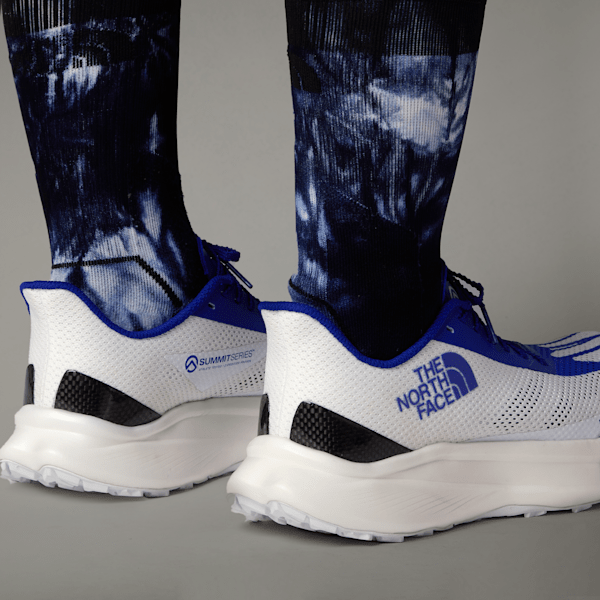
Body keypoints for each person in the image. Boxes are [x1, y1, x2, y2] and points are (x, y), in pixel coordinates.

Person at [2, 0, 600, 541]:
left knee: (119, 241)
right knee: (364, 303)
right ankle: (378, 346)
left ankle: (116, 316)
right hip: (380, 373)